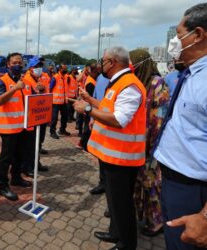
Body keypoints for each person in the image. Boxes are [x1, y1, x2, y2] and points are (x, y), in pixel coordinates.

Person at [74, 47, 146, 250]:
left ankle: (126, 243)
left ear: (112, 62)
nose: (100, 64)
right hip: (111, 155)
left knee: (121, 204)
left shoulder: (129, 85)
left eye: (103, 61)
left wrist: (87, 109)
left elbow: (118, 119)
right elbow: (108, 108)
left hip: (122, 158)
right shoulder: (118, 83)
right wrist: (90, 101)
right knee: (114, 202)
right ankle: (116, 232)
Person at [153, 3, 207, 249]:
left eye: (178, 34)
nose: (175, 41)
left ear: (197, 35)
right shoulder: (192, 74)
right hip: (175, 182)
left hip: (194, 192)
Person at [129, 49, 170, 237]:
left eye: (133, 63)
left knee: (152, 184)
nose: (130, 66)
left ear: (142, 63)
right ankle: (142, 215)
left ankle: (156, 222)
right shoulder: (140, 83)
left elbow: (158, 120)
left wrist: (149, 145)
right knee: (141, 183)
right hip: (139, 145)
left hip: (153, 146)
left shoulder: (157, 84)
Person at [0, 52, 33, 201]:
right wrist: (15, 88)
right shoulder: (2, 81)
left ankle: (16, 178)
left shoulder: (24, 81)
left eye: (20, 62)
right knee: (6, 158)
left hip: (22, 127)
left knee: (19, 156)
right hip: (8, 128)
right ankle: (2, 186)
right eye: (14, 62)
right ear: (8, 65)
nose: (18, 65)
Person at [21, 56, 49, 177]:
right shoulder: (26, 79)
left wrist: (42, 91)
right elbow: (27, 98)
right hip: (30, 117)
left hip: (40, 115)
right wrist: (36, 92)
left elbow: (43, 94)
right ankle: (27, 167)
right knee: (29, 144)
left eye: (41, 66)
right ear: (31, 68)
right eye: (37, 66)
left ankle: (36, 163)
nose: (39, 68)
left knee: (38, 141)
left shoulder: (39, 78)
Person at [88, 65, 109, 196]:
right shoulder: (100, 78)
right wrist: (92, 118)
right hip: (99, 120)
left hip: (112, 122)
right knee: (101, 155)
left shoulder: (120, 80)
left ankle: (110, 191)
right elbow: (95, 96)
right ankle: (102, 183)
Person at [77, 64, 97, 151]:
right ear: (93, 72)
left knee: (87, 126)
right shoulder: (91, 82)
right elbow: (90, 97)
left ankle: (83, 143)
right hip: (88, 107)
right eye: (97, 72)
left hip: (87, 106)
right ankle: (84, 144)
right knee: (87, 127)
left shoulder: (91, 79)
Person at [49, 64, 70, 139]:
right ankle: (52, 132)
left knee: (65, 117)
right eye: (64, 68)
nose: (65, 69)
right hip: (55, 102)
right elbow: (50, 88)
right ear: (60, 69)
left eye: (66, 68)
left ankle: (62, 130)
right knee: (54, 118)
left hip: (63, 101)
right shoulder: (55, 77)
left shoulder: (65, 77)